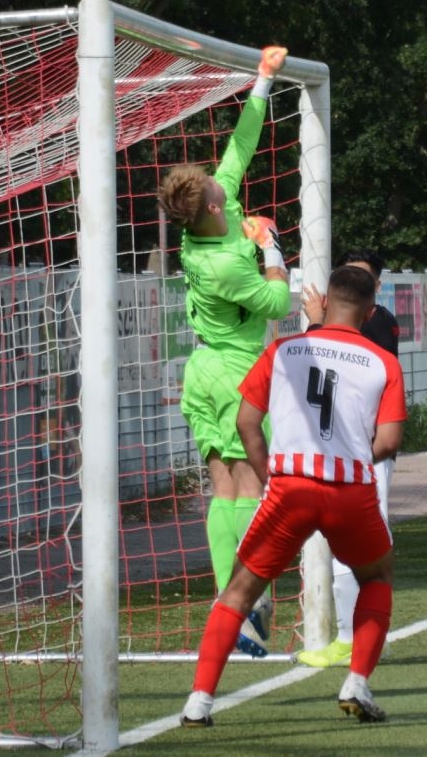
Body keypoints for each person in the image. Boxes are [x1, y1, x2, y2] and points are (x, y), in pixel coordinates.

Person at [179, 265, 406, 727]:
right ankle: (357, 682)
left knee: (239, 591)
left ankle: (199, 702)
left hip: (289, 487)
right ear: (369, 310)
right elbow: (389, 441)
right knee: (377, 576)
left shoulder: (282, 350)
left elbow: (247, 422)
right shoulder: (384, 361)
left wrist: (268, 474)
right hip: (349, 490)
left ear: (326, 303)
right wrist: (353, 452)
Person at [156, 45, 290, 659]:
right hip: (236, 371)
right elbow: (277, 304)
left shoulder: (204, 227)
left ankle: (228, 609)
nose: (221, 179)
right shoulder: (227, 260)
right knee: (245, 487)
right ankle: (245, 605)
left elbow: (240, 148)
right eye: (217, 187)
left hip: (201, 369)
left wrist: (262, 81)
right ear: (214, 206)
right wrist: (271, 246)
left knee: (222, 488)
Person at [295, 249, 401, 669]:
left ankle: (353, 637)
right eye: (348, 276)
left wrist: (319, 324)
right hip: (333, 450)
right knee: (337, 540)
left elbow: (353, 363)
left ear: (374, 289)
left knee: (359, 544)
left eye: (363, 278)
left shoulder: (379, 322)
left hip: (365, 451)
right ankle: (351, 636)